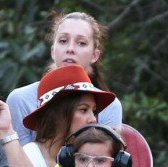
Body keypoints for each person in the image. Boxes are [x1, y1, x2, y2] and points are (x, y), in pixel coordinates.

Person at [7, 11, 122, 146]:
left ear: (94, 56)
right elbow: (18, 161)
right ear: (52, 51)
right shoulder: (20, 99)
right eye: (63, 41)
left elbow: (106, 160)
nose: (70, 49)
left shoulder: (110, 106)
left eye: (81, 43)